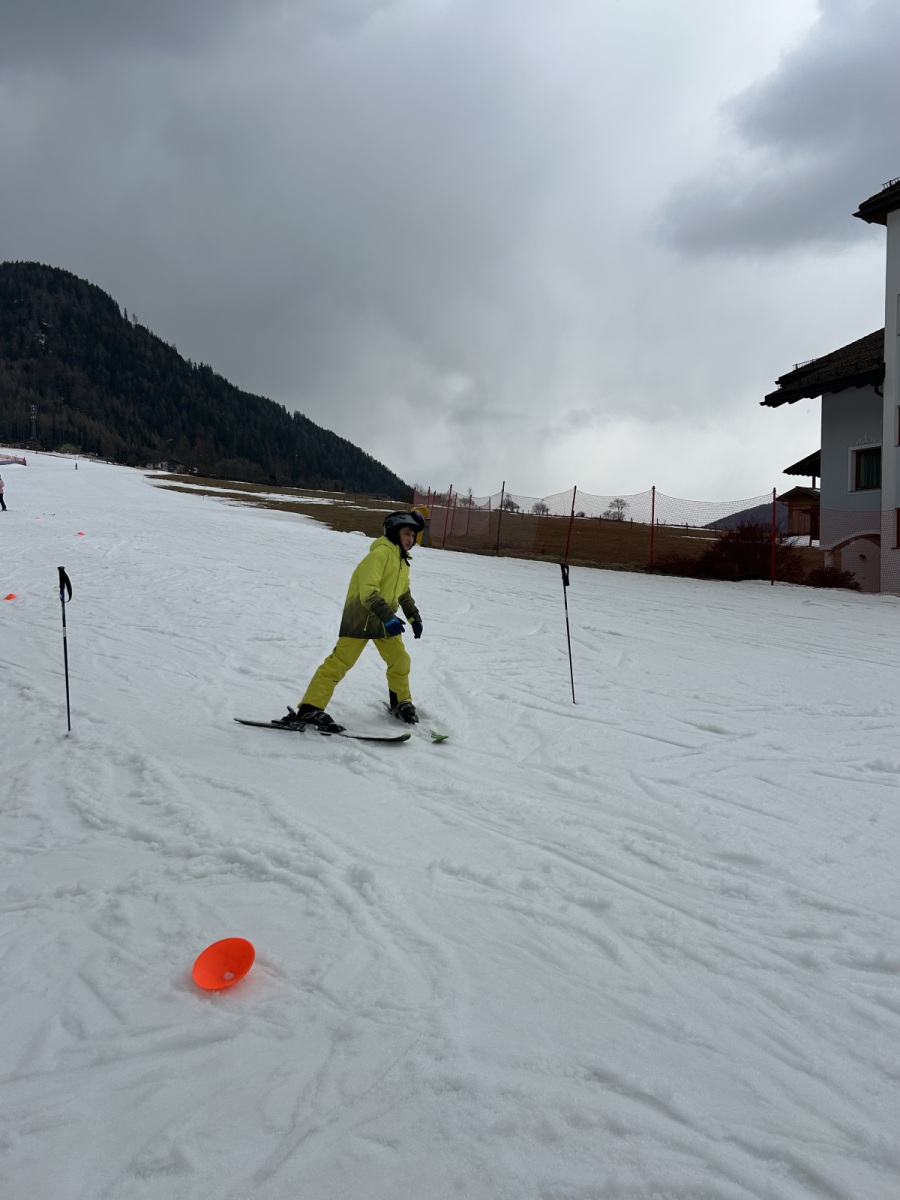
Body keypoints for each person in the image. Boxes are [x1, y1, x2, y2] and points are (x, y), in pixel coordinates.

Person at [276, 510, 426, 732]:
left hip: (384, 619)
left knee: (400, 660)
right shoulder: (380, 555)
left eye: (413, 535)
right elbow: (368, 592)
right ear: (394, 532)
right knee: (339, 663)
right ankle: (310, 708)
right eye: (406, 533)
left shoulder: (402, 562)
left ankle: (400, 702)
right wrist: (388, 617)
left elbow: (404, 593)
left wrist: (414, 617)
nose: (410, 539)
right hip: (362, 618)